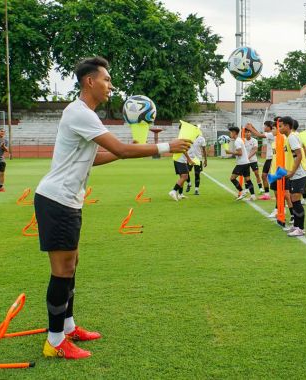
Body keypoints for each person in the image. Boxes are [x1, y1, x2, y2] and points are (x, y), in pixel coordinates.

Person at [34, 57, 190, 360]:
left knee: (71, 265)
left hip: (66, 200)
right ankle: (55, 342)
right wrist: (164, 147)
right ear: (89, 81)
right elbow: (119, 148)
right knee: (62, 270)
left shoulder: (84, 114)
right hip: (57, 200)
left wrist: (125, 151)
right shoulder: (81, 113)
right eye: (106, 79)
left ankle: (68, 327)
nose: (110, 85)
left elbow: (95, 157)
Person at [279, 116, 306, 237]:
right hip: (294, 174)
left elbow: (299, 155)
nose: (279, 128)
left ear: (287, 126)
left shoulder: (292, 137)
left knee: (296, 200)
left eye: (281, 126)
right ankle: (296, 226)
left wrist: (292, 172)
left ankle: (300, 228)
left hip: (299, 173)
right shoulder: (290, 138)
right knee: (293, 199)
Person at [246, 121, 275, 200]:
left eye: (265, 126)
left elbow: (258, 135)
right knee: (264, 176)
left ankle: (279, 194)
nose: (264, 127)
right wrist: (252, 126)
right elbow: (259, 133)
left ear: (270, 127)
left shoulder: (272, 134)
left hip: (272, 158)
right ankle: (267, 194)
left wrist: (250, 128)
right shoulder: (269, 134)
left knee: (273, 177)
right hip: (268, 158)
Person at [225, 126, 255, 201]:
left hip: (242, 163)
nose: (230, 134)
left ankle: (242, 192)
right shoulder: (239, 140)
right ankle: (253, 195)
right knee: (248, 179)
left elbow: (240, 153)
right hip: (246, 162)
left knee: (232, 178)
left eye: (231, 132)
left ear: (234, 133)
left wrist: (230, 152)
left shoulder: (237, 141)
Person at [169, 125, 193, 201]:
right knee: (185, 177)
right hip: (180, 159)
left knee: (182, 177)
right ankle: (173, 191)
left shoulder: (182, 138)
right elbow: (184, 150)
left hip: (178, 159)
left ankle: (180, 194)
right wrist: (189, 160)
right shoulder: (181, 138)